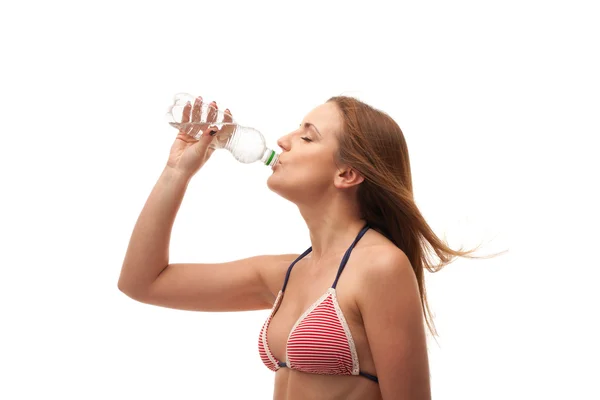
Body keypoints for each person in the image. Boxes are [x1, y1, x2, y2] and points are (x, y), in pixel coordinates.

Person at [118, 95, 501, 399]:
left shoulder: (381, 267)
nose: (283, 140)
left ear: (347, 173)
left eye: (306, 136)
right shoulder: (287, 273)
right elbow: (142, 282)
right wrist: (177, 171)